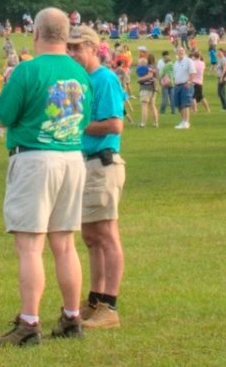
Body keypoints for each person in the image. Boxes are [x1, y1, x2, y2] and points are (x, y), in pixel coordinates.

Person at [0, 7, 91, 347]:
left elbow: (4, 116)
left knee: (29, 245)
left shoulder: (28, 70)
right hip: (72, 156)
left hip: (35, 158)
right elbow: (83, 118)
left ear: (37, 34)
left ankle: (29, 323)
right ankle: (72, 317)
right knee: (65, 242)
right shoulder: (79, 71)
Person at [71, 28, 126, 330]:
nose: (72, 54)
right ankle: (94, 300)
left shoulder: (104, 79)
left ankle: (110, 306)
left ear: (93, 48)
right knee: (91, 238)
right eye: (68, 48)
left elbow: (115, 125)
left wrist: (76, 124)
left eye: (77, 48)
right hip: (85, 165)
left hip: (101, 164)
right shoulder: (82, 81)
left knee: (106, 236)